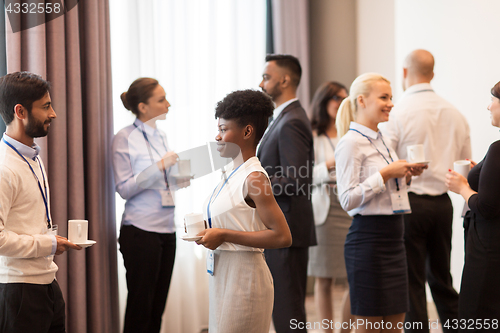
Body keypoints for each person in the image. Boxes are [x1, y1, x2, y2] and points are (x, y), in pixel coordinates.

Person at [382, 49, 469, 333]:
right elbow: (465, 165)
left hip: (409, 204)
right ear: (432, 74)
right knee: (442, 278)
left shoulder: (398, 113)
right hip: (444, 205)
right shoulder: (456, 113)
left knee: (411, 281)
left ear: (405, 73)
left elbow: (386, 161)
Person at [335, 73, 426, 333]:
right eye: (384, 97)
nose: (391, 103)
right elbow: (347, 199)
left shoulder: (382, 139)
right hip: (369, 241)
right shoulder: (350, 143)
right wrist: (386, 174)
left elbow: (385, 190)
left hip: (395, 238)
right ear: (361, 100)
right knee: (370, 327)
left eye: (391, 97)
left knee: (395, 325)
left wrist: (405, 177)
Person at [196, 89, 292, 332]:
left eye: (223, 129)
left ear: (247, 131)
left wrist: (225, 235)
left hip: (245, 279)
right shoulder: (231, 173)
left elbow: (282, 236)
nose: (217, 136)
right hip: (223, 273)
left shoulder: (255, 177)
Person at [0, 71, 81, 332]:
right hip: (19, 291)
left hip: (47, 282)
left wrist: (49, 244)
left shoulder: (33, 156)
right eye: (46, 106)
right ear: (20, 111)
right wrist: (47, 243)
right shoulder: (3, 167)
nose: (53, 114)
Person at [112, 78, 188, 333]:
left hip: (167, 229)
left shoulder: (160, 136)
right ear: (143, 107)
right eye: (161, 99)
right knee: (140, 309)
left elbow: (159, 180)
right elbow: (124, 188)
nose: (168, 104)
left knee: (157, 309)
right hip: (140, 231)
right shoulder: (124, 138)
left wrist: (176, 179)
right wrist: (160, 166)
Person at [257, 54, 316, 332]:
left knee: (288, 310)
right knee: (281, 307)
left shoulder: (291, 121)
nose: (261, 83)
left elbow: (296, 179)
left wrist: (253, 185)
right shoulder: (282, 117)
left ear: (285, 79)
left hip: (287, 228)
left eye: (266, 77)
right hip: (282, 225)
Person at [445, 80, 500, 332]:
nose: (489, 107)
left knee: (478, 316)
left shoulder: (498, 149)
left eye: (493, 101)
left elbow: (487, 206)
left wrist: (462, 188)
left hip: (488, 251)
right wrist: (483, 171)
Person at [308, 81, 353, 333]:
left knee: (353, 277)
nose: (340, 102)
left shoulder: (351, 133)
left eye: (345, 98)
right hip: (325, 207)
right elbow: (304, 176)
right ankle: (326, 331)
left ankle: (344, 330)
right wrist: (327, 164)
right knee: (324, 277)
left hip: (351, 206)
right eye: (336, 98)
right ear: (323, 101)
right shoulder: (312, 136)